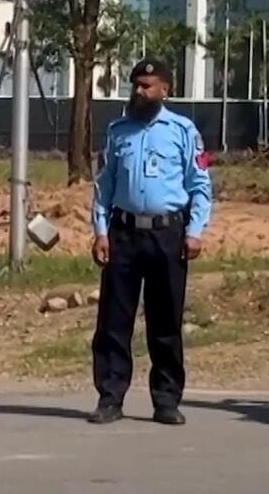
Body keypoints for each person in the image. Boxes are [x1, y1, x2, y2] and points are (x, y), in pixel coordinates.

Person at [90, 58, 212, 426]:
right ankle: (110, 397)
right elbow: (104, 186)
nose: (139, 92)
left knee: (165, 320)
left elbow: (200, 186)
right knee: (114, 320)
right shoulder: (118, 131)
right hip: (124, 234)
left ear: (165, 90)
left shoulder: (183, 131)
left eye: (147, 86)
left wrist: (195, 232)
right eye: (136, 86)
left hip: (167, 235)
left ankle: (166, 399)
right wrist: (100, 231)